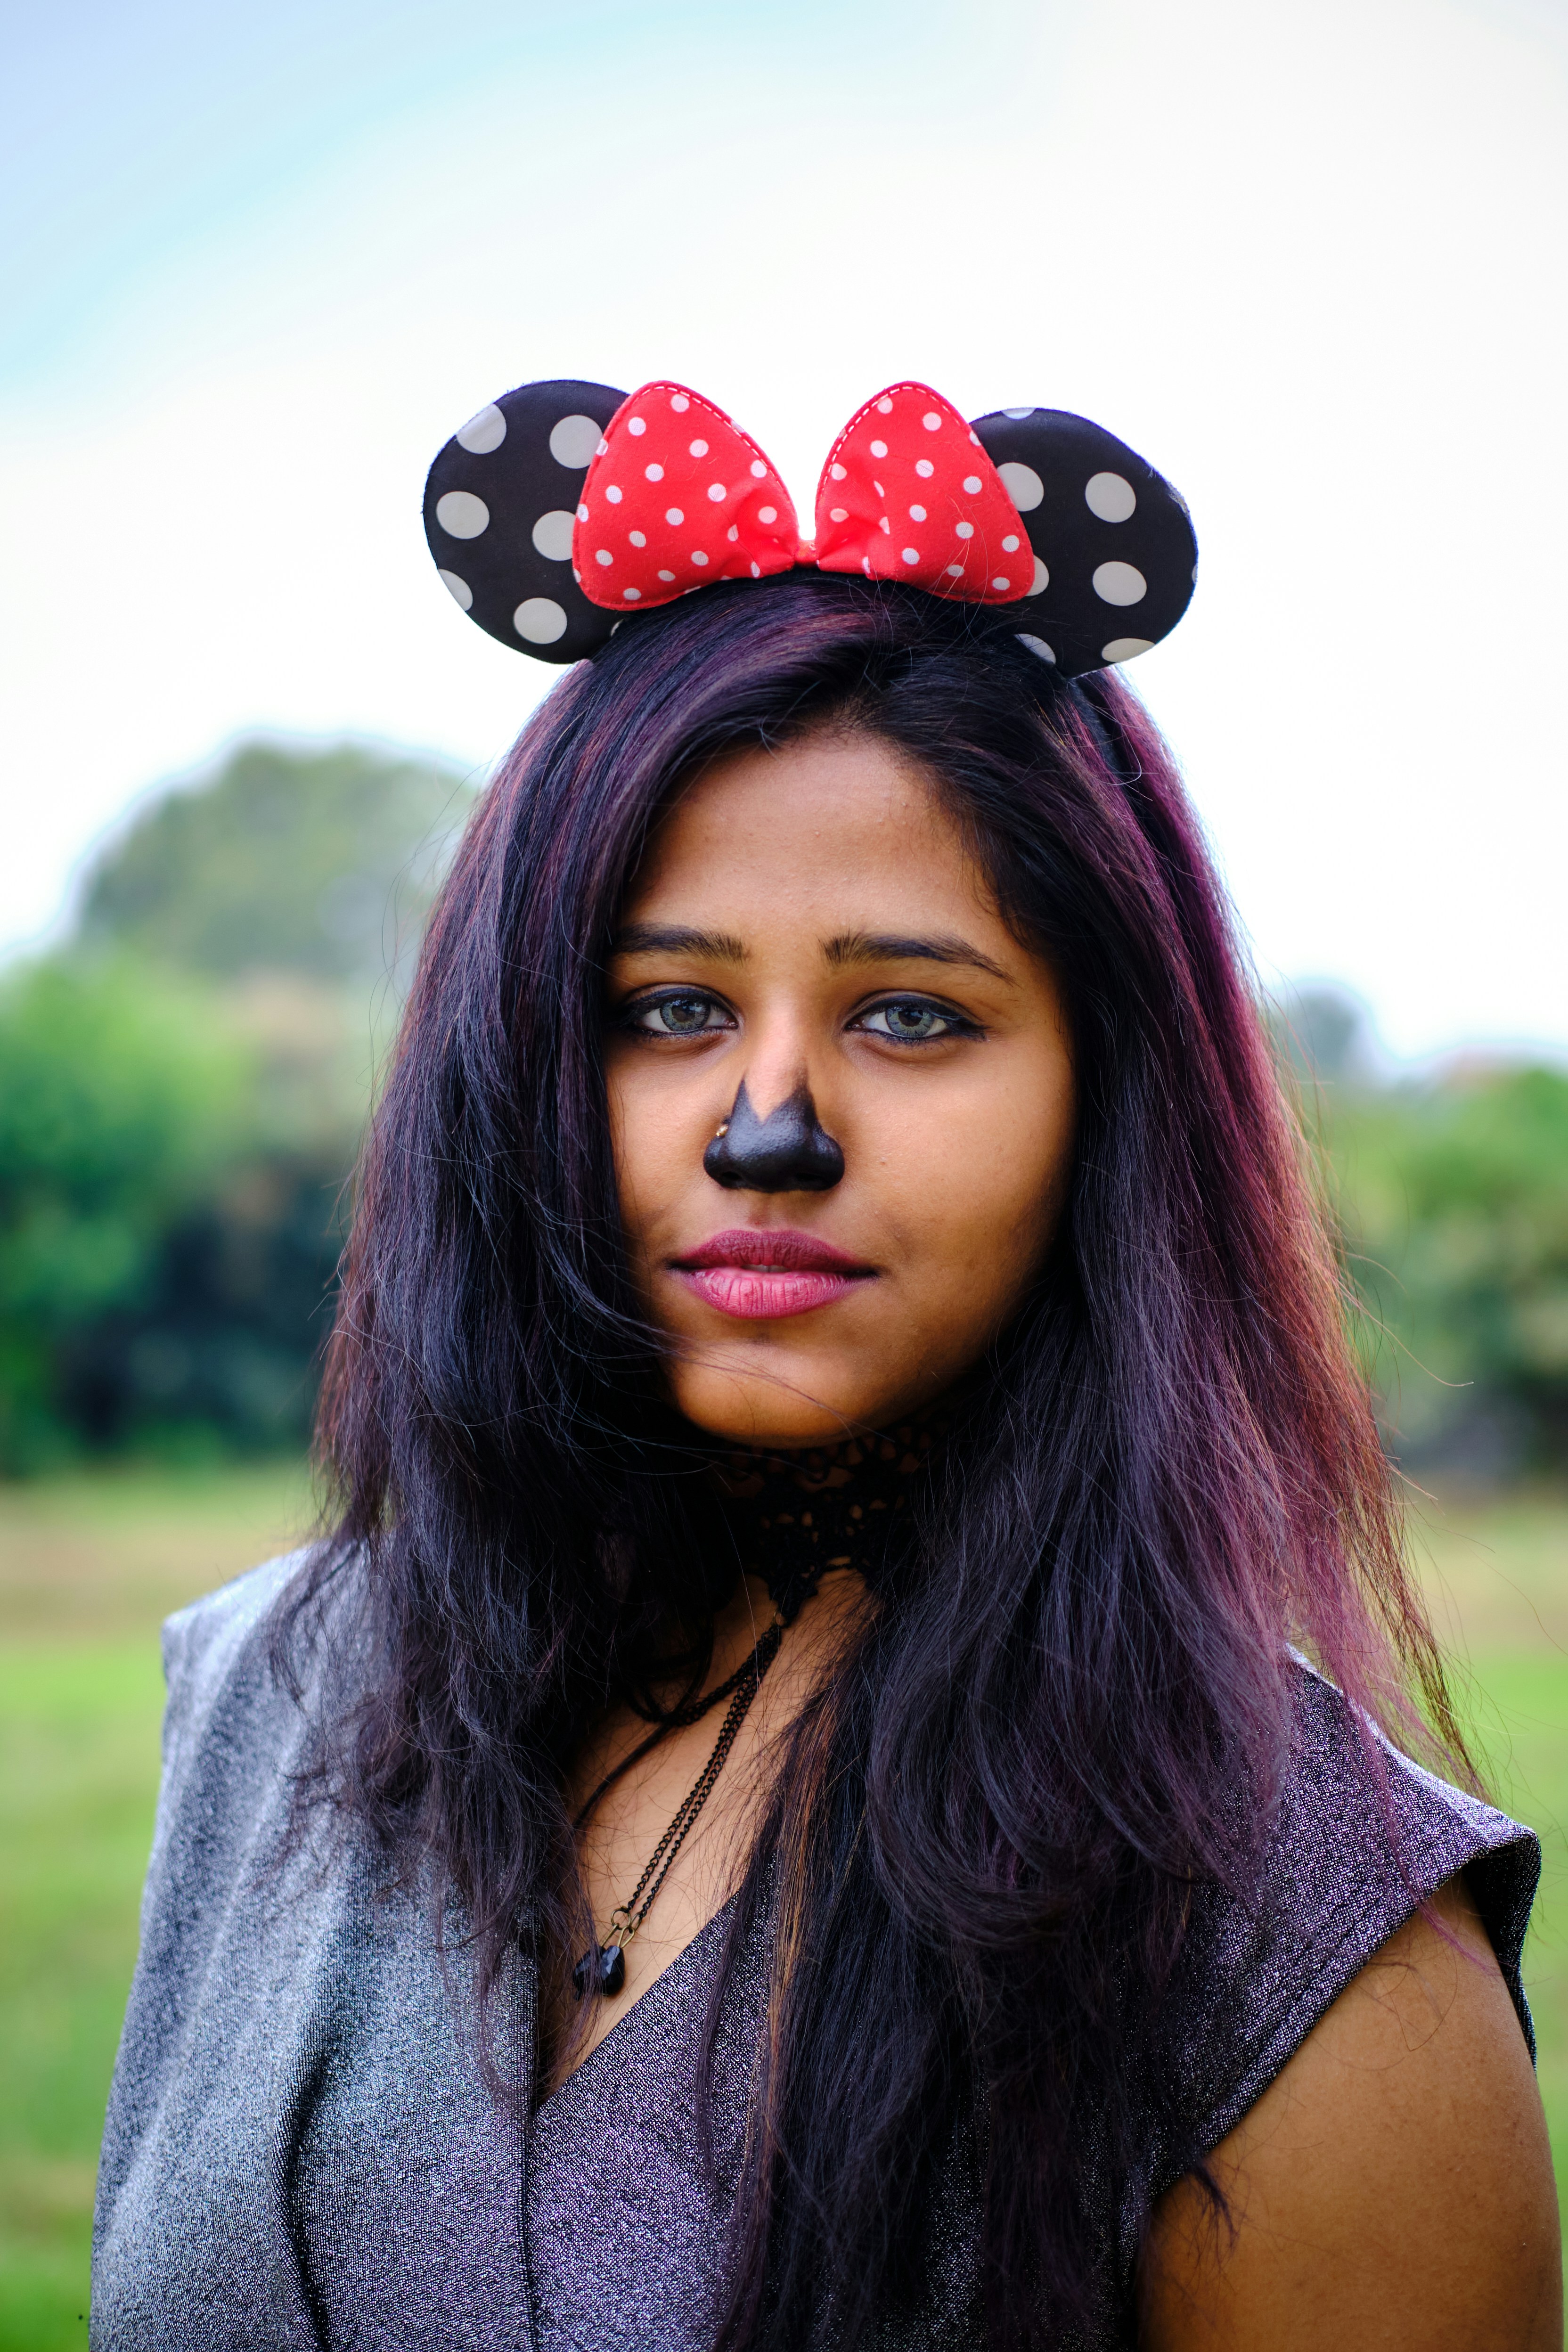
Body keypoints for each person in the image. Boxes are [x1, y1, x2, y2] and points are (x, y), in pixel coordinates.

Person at [93, 381, 1560, 2350]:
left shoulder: (1296, 1929)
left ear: (1102, 1103)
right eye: (670, 1007)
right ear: (509, 1065)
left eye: (910, 1016)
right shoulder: (266, 1696)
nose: (764, 1126)